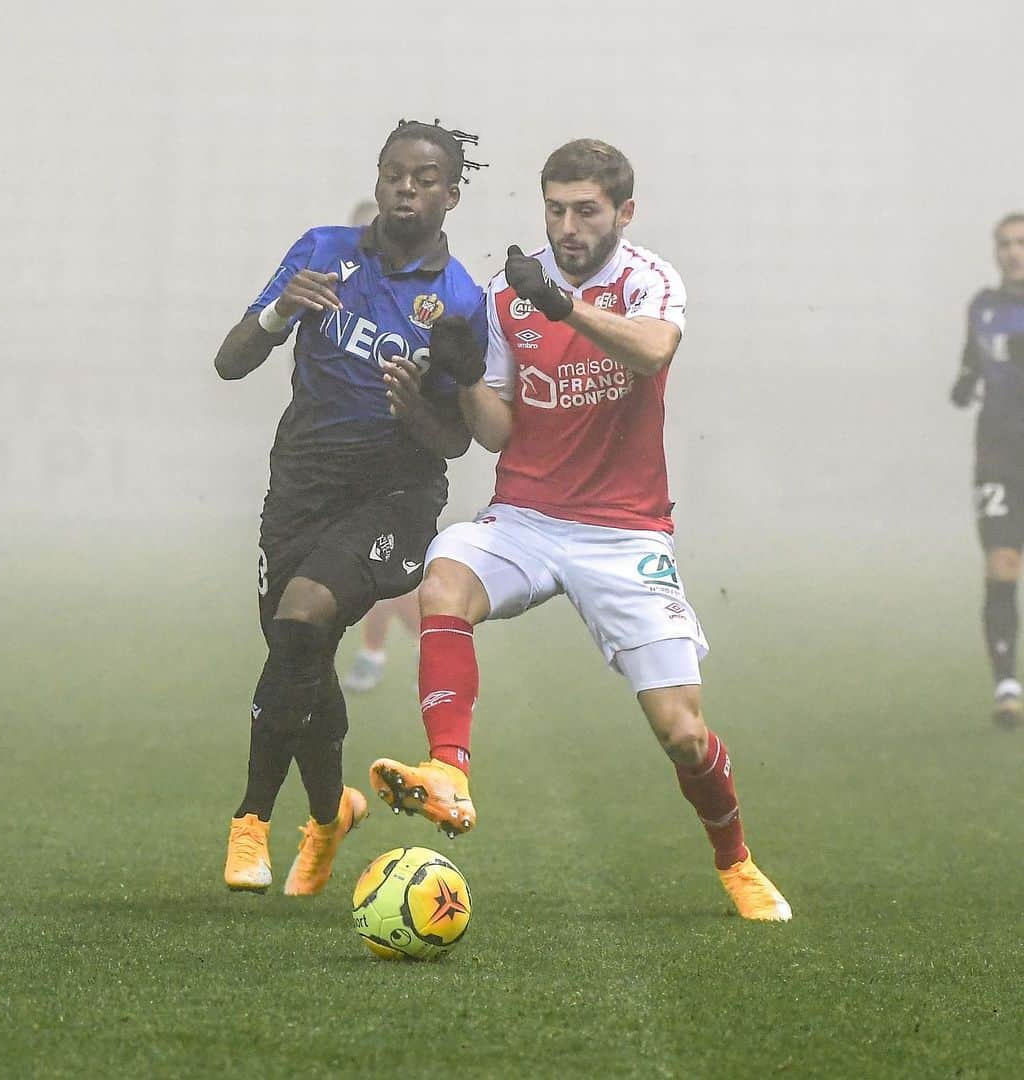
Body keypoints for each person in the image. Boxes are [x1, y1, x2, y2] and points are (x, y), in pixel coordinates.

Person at [370, 138, 791, 921]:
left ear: (624, 213)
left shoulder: (649, 281)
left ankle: (735, 862)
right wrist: (464, 381)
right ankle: (449, 772)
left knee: (684, 734)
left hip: (625, 534)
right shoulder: (505, 292)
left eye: (585, 210)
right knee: (444, 581)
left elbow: (654, 351)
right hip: (525, 516)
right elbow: (497, 432)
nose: (567, 226)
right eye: (555, 209)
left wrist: (561, 305)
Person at [215, 119, 487, 895]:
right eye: (395, 172)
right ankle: (333, 813)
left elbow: (455, 441)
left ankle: (250, 823)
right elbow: (229, 362)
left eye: (425, 177)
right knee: (299, 653)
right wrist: (279, 315)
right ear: (378, 179)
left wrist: (414, 414)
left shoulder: (459, 301)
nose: (407, 186)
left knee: (302, 618)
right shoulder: (322, 250)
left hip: (393, 492)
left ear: (451, 195)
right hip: (300, 482)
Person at [950, 212, 1024, 729]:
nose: (1013, 252)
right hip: (997, 454)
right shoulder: (983, 307)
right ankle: (1007, 685)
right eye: (1005, 243)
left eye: (1021, 242)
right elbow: (971, 364)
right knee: (1001, 563)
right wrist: (964, 380)